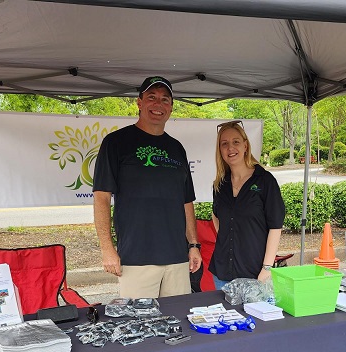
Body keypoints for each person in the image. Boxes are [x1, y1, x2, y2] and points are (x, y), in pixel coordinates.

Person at [92, 76, 201, 298]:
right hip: (136, 259)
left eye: (165, 99)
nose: (158, 104)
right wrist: (107, 249)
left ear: (171, 107)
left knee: (177, 325)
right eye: (152, 97)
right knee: (138, 329)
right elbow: (101, 197)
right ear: (139, 102)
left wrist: (193, 245)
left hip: (177, 259)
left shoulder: (177, 148)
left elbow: (186, 201)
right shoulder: (116, 143)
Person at [209, 120, 285, 290]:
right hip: (221, 274)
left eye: (236, 142)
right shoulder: (219, 185)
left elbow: (275, 227)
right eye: (224, 144)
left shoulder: (265, 181)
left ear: (245, 145)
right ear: (219, 150)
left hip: (255, 274)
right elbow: (216, 216)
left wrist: (267, 268)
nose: (230, 148)